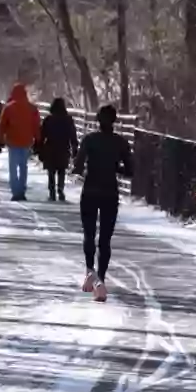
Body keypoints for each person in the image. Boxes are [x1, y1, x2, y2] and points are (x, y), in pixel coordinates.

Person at [72, 104, 133, 302]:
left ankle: (90, 272)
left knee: (89, 234)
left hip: (90, 190)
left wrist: (80, 170)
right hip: (110, 192)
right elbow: (130, 171)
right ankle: (101, 281)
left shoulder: (89, 140)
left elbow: (78, 166)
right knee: (105, 239)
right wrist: (115, 167)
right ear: (114, 121)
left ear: (97, 120)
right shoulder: (121, 143)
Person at [0, 83, 41, 201]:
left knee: (13, 167)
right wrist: (38, 140)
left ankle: (15, 191)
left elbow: (2, 125)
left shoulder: (9, 108)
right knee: (23, 167)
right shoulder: (32, 108)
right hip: (26, 141)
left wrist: (0, 140)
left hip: (13, 141)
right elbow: (36, 125)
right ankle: (21, 190)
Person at [38, 97, 78, 202]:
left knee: (51, 172)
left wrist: (39, 148)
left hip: (50, 148)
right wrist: (74, 147)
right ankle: (60, 190)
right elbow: (72, 135)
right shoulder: (68, 120)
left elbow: (42, 135)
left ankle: (52, 192)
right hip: (63, 148)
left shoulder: (48, 119)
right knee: (61, 171)